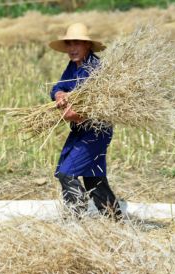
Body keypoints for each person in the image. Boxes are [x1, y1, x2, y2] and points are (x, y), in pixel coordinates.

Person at [49, 23, 122, 219]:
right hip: (81, 130)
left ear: (87, 46)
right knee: (93, 178)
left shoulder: (96, 69)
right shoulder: (73, 66)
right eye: (69, 44)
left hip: (96, 131)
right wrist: (59, 94)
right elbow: (57, 87)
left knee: (66, 173)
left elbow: (103, 105)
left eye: (77, 43)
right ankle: (116, 222)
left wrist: (78, 116)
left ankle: (76, 219)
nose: (72, 48)